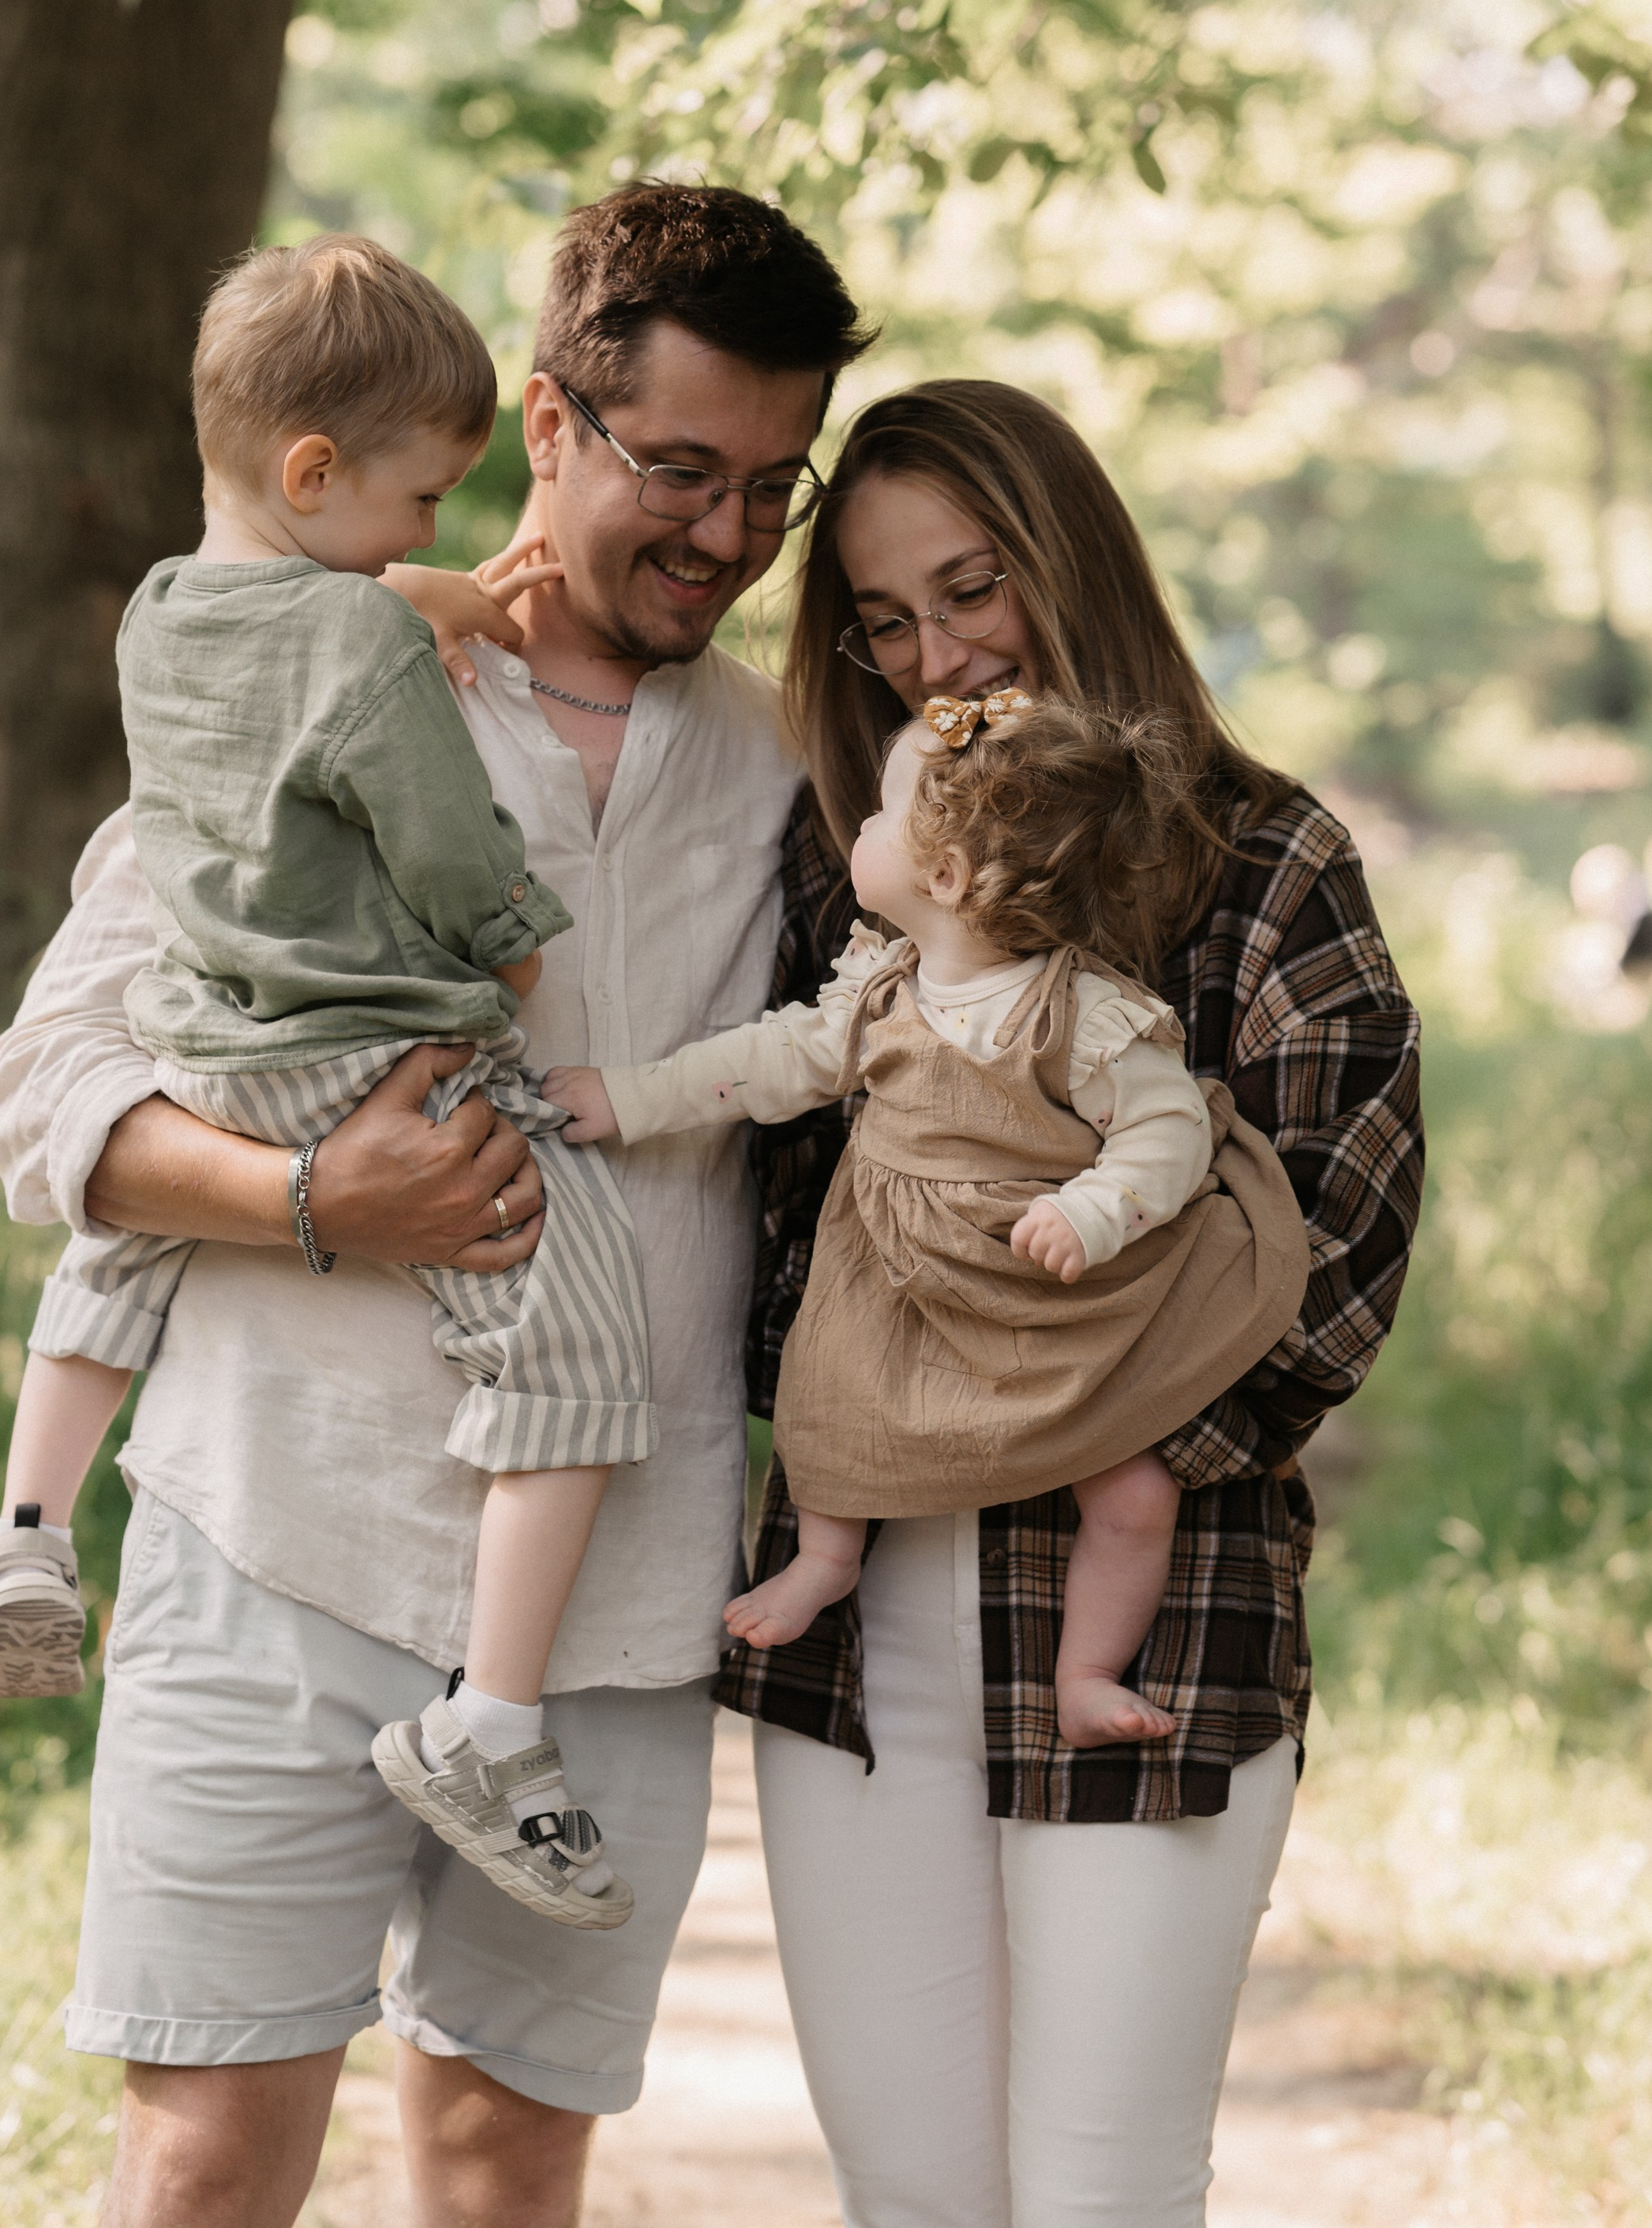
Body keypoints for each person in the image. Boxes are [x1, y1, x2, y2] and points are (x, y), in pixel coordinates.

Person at [0, 184, 873, 2228]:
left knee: (498, 2164)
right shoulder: (327, 658)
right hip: (271, 1531)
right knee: (202, 2157)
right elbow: (47, 1094)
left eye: (768, 486)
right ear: (546, 424)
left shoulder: (790, 767)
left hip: (605, 1618)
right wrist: (312, 1193)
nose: (725, 535)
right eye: (677, 469)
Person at [721, 379, 1424, 2228]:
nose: (934, 657)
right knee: (915, 2195)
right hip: (854, 1659)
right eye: (883, 619)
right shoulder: (852, 870)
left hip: (1155, 1620)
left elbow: (1335, 1247)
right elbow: (776, 1235)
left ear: (1069, 560)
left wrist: (1045, 1411)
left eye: (970, 589)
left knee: (1101, 2197)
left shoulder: (1267, 862)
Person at [0, 234, 657, 1926]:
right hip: (380, 1050)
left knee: (117, 1251)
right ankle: (492, 1722)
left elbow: (309, 610)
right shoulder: (371, 659)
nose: (433, 531)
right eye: (422, 499)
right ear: (315, 469)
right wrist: (508, 939)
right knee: (579, 1335)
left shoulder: (163, 612)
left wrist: (426, 593)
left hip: (215, 1044)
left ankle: (27, 1528)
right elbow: (430, 823)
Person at [545, 687, 1309, 1750]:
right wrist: (628, 1099)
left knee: (1134, 1491)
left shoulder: (1082, 1012)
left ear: (944, 876)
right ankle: (824, 1557)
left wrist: (1095, 1209)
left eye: (878, 813)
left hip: (1037, 1285)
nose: (856, 826)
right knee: (833, 1401)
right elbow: (763, 1066)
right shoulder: (877, 989)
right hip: (899, 1272)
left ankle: (1085, 1671)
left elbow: (1169, 1134)